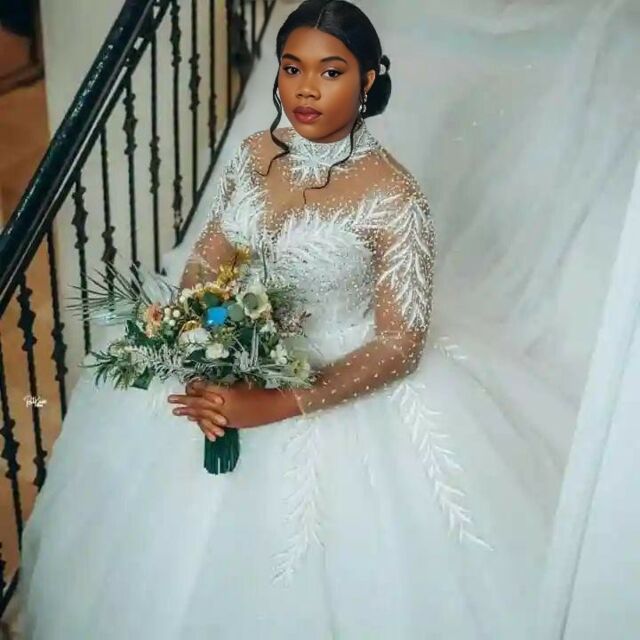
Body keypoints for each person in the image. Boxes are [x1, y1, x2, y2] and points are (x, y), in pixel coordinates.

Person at [15, 1, 563, 637]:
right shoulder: (255, 153)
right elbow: (208, 260)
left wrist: (273, 404)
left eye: (331, 72)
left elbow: (400, 343)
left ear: (369, 79)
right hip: (234, 353)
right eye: (292, 67)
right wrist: (198, 350)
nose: (306, 88)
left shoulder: (395, 197)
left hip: (338, 378)